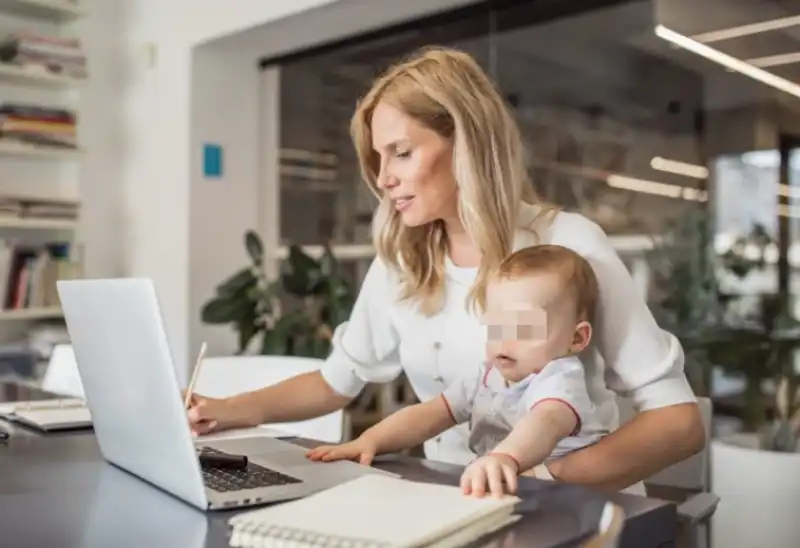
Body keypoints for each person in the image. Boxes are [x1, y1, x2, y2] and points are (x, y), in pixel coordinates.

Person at [186, 46, 704, 494]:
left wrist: (544, 479)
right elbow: (337, 380)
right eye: (378, 159)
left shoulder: (566, 246)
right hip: (453, 498)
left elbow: (677, 423)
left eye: (402, 153)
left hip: (567, 505)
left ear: (467, 144)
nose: (384, 178)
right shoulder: (404, 261)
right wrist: (227, 410)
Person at [307, 245, 607, 498]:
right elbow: (431, 413)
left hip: (571, 499)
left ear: (576, 338)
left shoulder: (559, 377)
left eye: (524, 329)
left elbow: (545, 421)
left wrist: (505, 457)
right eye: (496, 326)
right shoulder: (486, 375)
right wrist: (370, 441)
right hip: (516, 487)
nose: (504, 341)